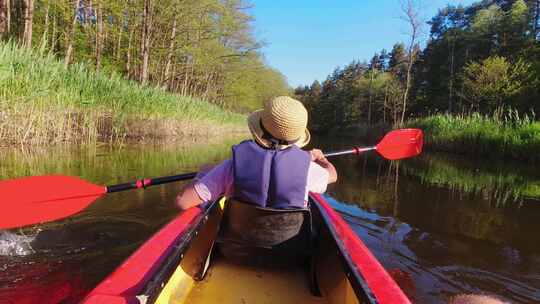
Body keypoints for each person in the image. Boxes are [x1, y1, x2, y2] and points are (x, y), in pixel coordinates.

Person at [176, 96, 337, 210]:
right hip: (290, 253)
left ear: (260, 129)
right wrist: (320, 158)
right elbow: (332, 175)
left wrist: (202, 174)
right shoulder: (307, 169)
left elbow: (183, 202)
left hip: (236, 250)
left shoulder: (232, 166)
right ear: (296, 138)